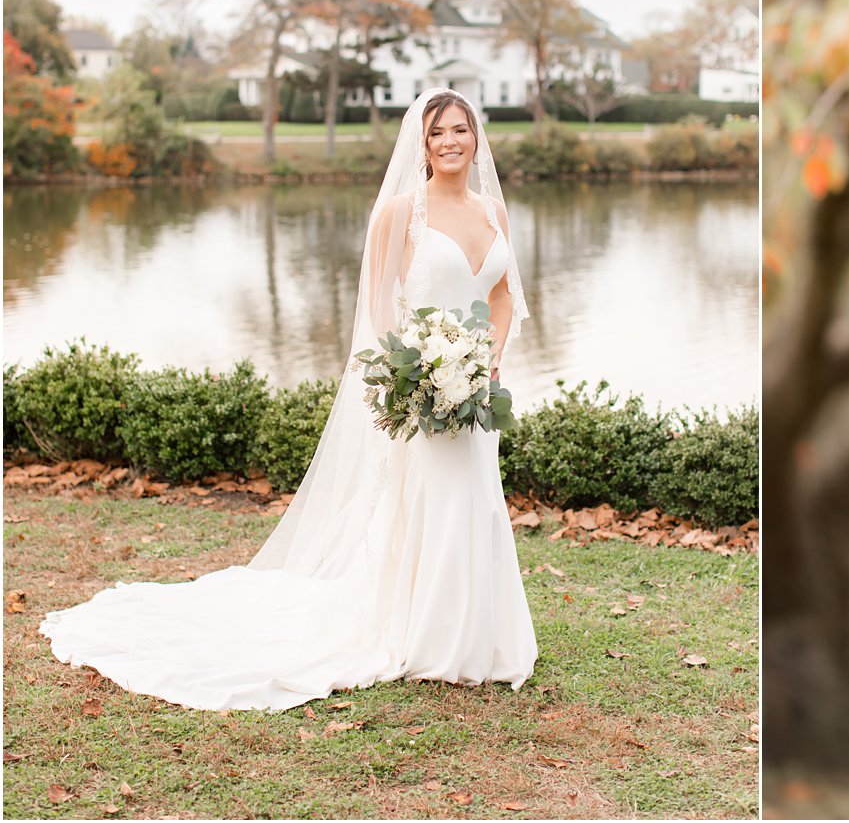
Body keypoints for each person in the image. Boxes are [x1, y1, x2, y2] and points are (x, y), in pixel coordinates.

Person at [40, 88, 538, 711]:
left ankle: (481, 636)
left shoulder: (495, 212)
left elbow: (501, 297)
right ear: (422, 144)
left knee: (477, 501)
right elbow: (377, 306)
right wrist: (414, 374)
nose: (451, 142)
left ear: (476, 136)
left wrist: (487, 362)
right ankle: (427, 637)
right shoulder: (400, 214)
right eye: (437, 133)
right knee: (432, 503)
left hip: (474, 394)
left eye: (461, 130)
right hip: (422, 391)